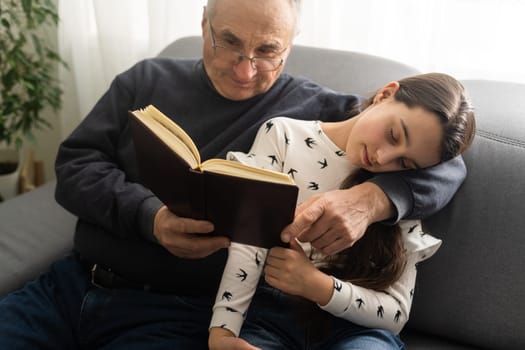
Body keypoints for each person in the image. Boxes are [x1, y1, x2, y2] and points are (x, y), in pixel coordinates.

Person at [0, 0, 469, 349]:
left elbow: (449, 161)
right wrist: (151, 219)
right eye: (228, 41)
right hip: (71, 283)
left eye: (268, 51)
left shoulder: (322, 114)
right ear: (204, 24)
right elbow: (75, 165)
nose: (246, 70)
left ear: (288, 49)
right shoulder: (145, 80)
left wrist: (371, 200)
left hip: (171, 314)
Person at [208, 72, 476, 349]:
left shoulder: (405, 190)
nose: (383, 159)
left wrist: (316, 285)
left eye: (405, 163)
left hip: (357, 331)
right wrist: (223, 333)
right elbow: (248, 242)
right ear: (385, 94)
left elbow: (395, 313)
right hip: (271, 318)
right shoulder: (285, 136)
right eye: (393, 135)